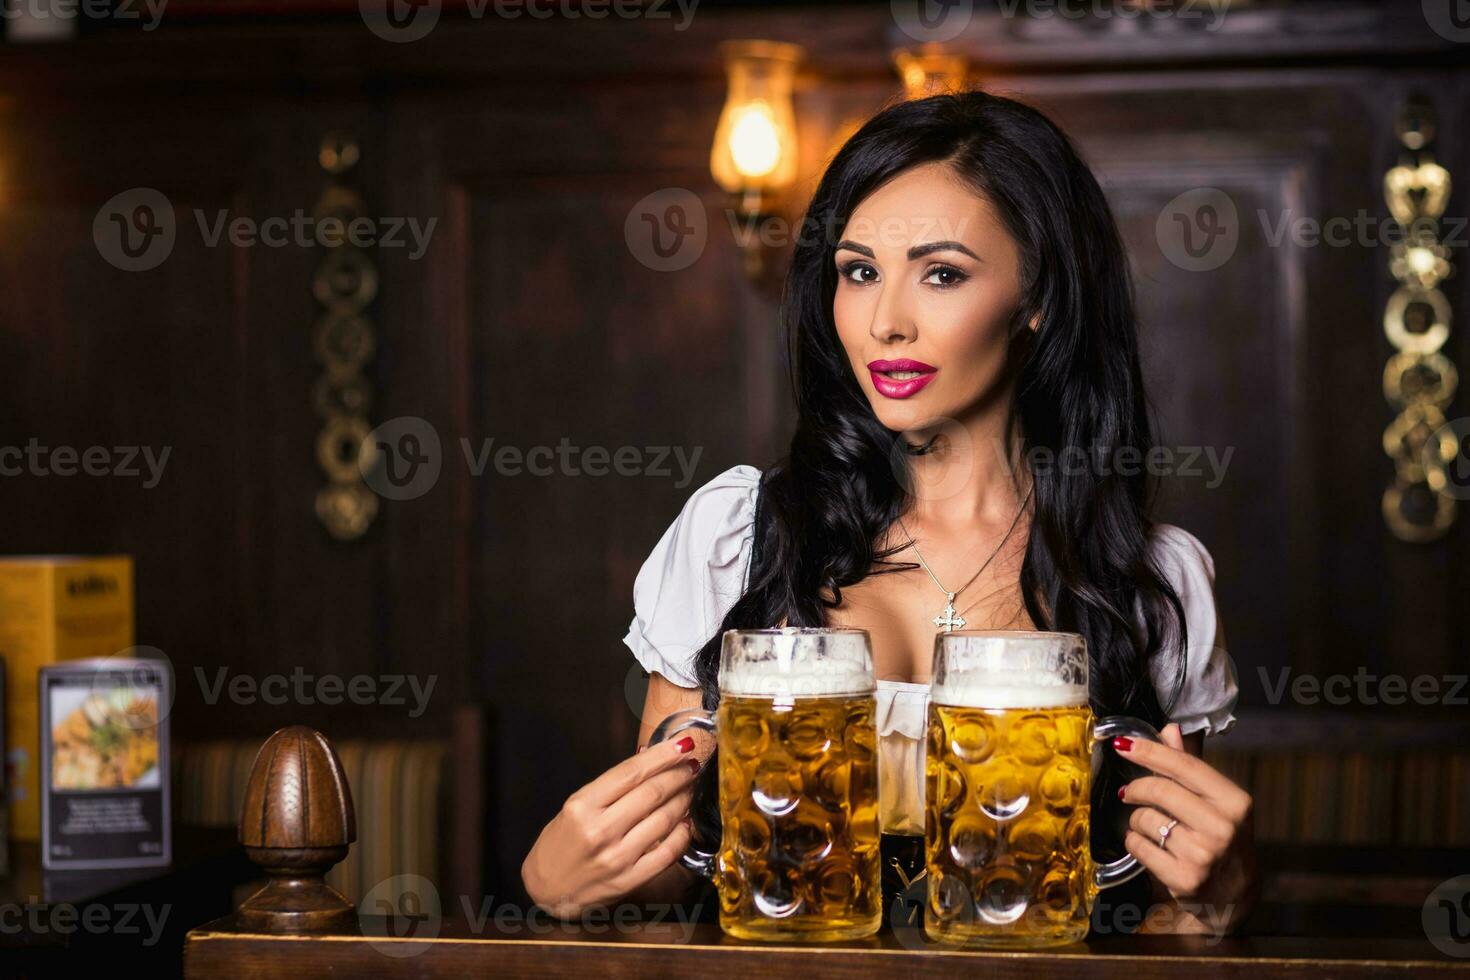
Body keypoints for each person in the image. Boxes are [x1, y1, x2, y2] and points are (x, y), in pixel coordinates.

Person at [522, 90, 1258, 934]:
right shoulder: (733, 533)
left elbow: (1172, 914)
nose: (884, 322)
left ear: (1038, 297)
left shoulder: (1150, 578)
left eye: (942, 274)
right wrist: (564, 884)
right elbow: (677, 875)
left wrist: (1225, 892)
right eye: (859, 271)